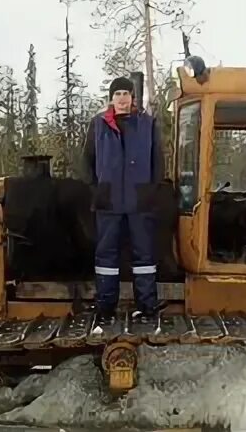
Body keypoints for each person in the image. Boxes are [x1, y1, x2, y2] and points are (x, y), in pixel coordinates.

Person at [82, 76, 164, 323]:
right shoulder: (98, 125)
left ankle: (147, 306)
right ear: (111, 98)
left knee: (144, 256)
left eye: (126, 94)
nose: (121, 99)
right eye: (117, 94)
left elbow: (158, 161)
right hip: (109, 200)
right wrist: (96, 189)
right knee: (106, 255)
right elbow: (86, 160)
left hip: (140, 200)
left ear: (132, 98)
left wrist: (151, 189)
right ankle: (106, 306)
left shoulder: (147, 124)